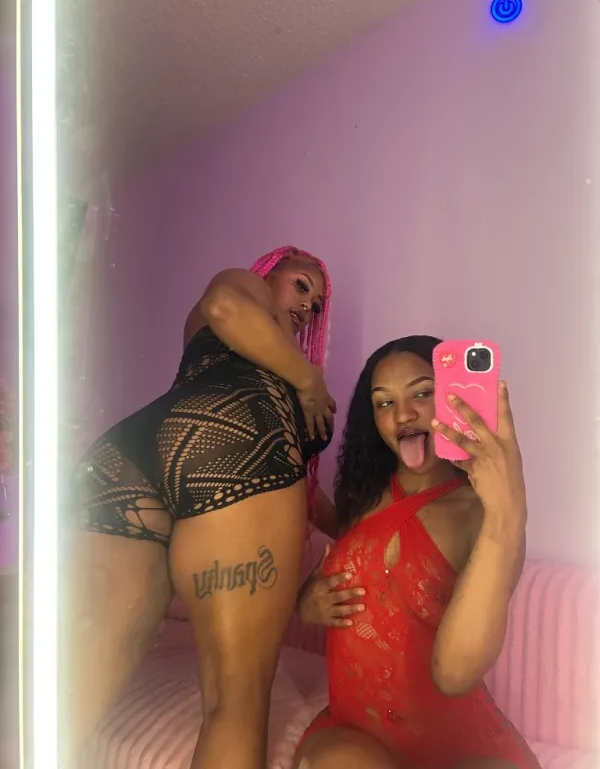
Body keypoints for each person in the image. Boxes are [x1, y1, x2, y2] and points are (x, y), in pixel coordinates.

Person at [60, 246, 337, 769]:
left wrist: (361, 531)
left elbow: (293, 483)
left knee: (74, 685)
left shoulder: (266, 351)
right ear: (268, 273)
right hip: (226, 446)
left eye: (318, 304)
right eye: (301, 285)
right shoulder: (250, 295)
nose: (308, 306)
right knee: (236, 702)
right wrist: (309, 380)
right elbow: (225, 307)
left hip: (131, 455)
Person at [294, 336, 541, 769]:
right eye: (384, 402)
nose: (403, 414)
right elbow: (340, 560)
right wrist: (306, 602)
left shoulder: (484, 514)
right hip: (353, 733)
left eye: (422, 393)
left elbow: (456, 674)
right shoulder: (364, 493)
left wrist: (509, 509)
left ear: (453, 397)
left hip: (459, 741)